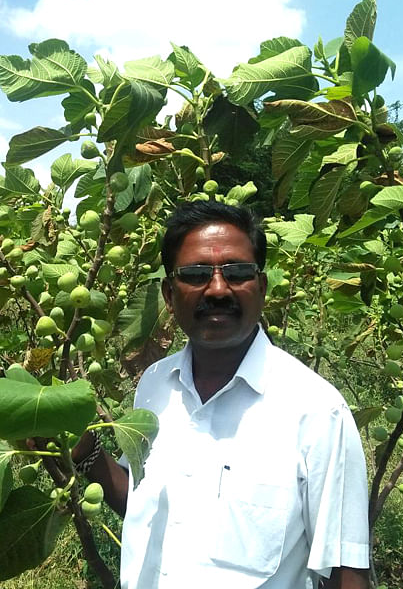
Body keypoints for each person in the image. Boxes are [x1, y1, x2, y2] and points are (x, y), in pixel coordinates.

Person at [73, 200, 369, 588]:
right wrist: (84, 452)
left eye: (237, 272)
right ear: (168, 294)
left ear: (261, 288)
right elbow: (145, 508)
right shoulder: (153, 385)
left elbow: (346, 574)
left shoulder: (315, 410)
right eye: (195, 274)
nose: (216, 288)